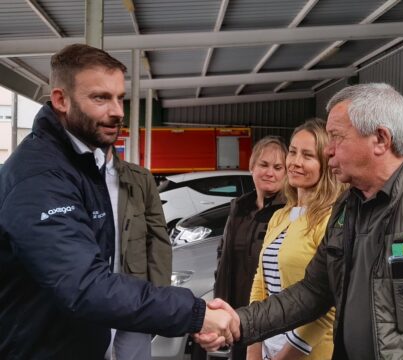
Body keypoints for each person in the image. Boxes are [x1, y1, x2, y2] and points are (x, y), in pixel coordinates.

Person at [198, 83, 403, 358]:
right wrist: (241, 322)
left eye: (336, 137)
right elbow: (313, 291)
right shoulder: (347, 208)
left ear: (380, 139)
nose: (328, 152)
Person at [0, 43, 233, 359]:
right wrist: (195, 313)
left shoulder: (80, 162)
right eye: (100, 98)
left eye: (119, 98)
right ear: (61, 100)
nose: (117, 111)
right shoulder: (41, 178)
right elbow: (84, 285)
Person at [247, 119, 345, 360]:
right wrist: (253, 346)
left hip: (309, 353)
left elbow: (329, 305)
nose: (296, 162)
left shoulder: (331, 220)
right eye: (292, 152)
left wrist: (288, 355)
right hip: (268, 347)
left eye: (308, 155)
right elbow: (261, 284)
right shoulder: (280, 216)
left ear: (324, 163)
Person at [213, 136, 287, 360]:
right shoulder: (240, 207)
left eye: (277, 167)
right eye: (263, 165)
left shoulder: (289, 211)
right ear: (252, 167)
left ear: (286, 173)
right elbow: (223, 255)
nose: (270, 173)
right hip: (235, 312)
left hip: (270, 318)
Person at [103, 146, 172, 359]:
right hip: (90, 299)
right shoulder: (72, 179)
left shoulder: (140, 179)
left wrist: (159, 298)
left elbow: (158, 240)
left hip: (135, 297)